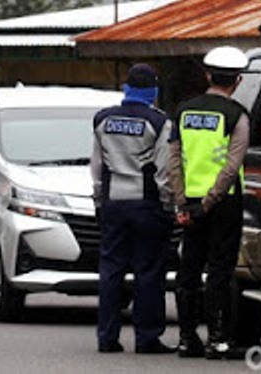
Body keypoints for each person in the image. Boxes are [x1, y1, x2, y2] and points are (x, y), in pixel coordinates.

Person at [169, 46, 250, 360]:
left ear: (207, 75)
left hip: (189, 201)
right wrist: (209, 202)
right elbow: (232, 166)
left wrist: (183, 204)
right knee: (219, 272)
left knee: (188, 271)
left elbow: (173, 160)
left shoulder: (184, 111)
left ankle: (188, 340)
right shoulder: (237, 115)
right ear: (238, 80)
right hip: (223, 204)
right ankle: (218, 340)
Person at [90, 63, 175, 354]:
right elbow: (163, 171)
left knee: (111, 271)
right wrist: (168, 204)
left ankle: (107, 337)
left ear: (126, 88)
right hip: (148, 205)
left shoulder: (103, 119)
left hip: (113, 203)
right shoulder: (160, 122)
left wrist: (99, 200)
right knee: (148, 273)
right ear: (153, 92)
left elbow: (97, 165)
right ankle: (147, 338)